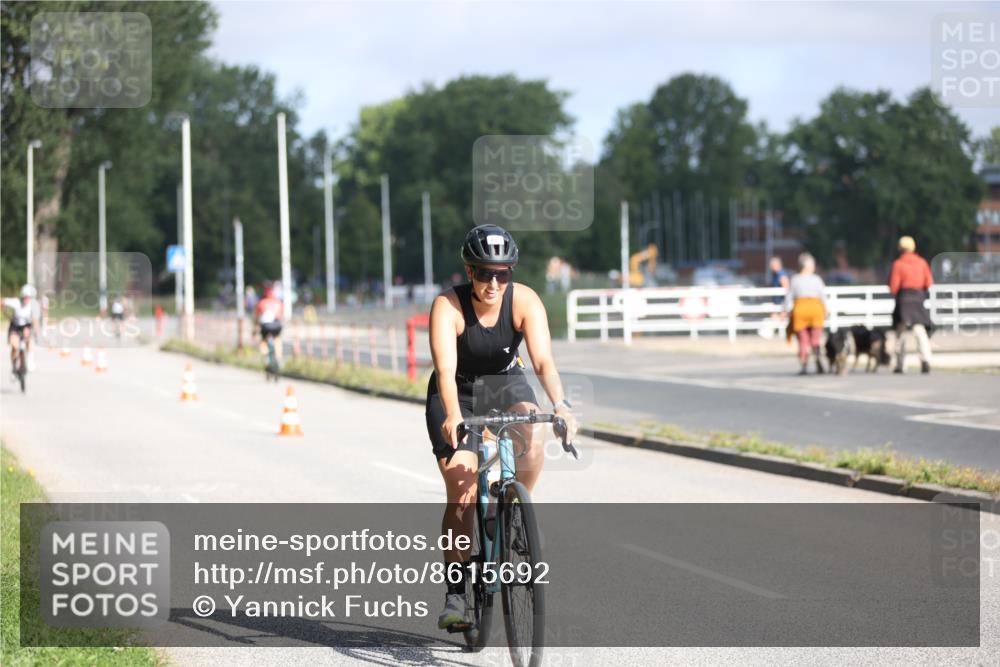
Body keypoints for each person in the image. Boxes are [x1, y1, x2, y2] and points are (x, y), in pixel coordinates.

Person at [427, 224, 578, 630]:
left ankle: (515, 511)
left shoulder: (524, 300)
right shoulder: (448, 306)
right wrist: (454, 415)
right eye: (484, 273)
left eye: (502, 274)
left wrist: (561, 405)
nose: (493, 283)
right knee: (462, 490)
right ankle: (456, 594)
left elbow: (543, 361)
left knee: (533, 430)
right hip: (457, 392)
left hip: (504, 382)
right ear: (469, 271)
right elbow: (445, 370)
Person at [889, 236, 934, 374]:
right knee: (920, 331)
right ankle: (925, 359)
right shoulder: (922, 262)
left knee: (901, 332)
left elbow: (893, 287)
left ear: (900, 248)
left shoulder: (898, 264)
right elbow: (929, 283)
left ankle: (900, 364)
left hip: (904, 299)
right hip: (918, 299)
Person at [784, 253, 827, 375]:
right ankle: (817, 355)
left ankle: (804, 364)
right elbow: (823, 297)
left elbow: (789, 298)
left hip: (800, 310)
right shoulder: (816, 279)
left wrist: (786, 311)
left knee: (803, 340)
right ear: (810, 266)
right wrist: (825, 309)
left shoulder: (795, 279)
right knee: (815, 338)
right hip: (816, 310)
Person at [3, 285, 35, 372]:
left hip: (26, 326)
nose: (26, 299)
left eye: (29, 297)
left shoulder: (33, 305)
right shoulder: (16, 302)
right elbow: (2, 301)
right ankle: (14, 363)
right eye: (25, 297)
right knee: (15, 346)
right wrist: (4, 310)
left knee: (29, 339)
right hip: (15, 327)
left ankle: (30, 360)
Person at [254, 284, 284, 364]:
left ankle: (265, 358)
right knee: (277, 339)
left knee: (264, 341)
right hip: (276, 325)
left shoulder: (261, 303)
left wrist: (254, 329)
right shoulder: (278, 303)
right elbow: (280, 316)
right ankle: (278, 357)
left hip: (265, 326)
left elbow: (256, 317)